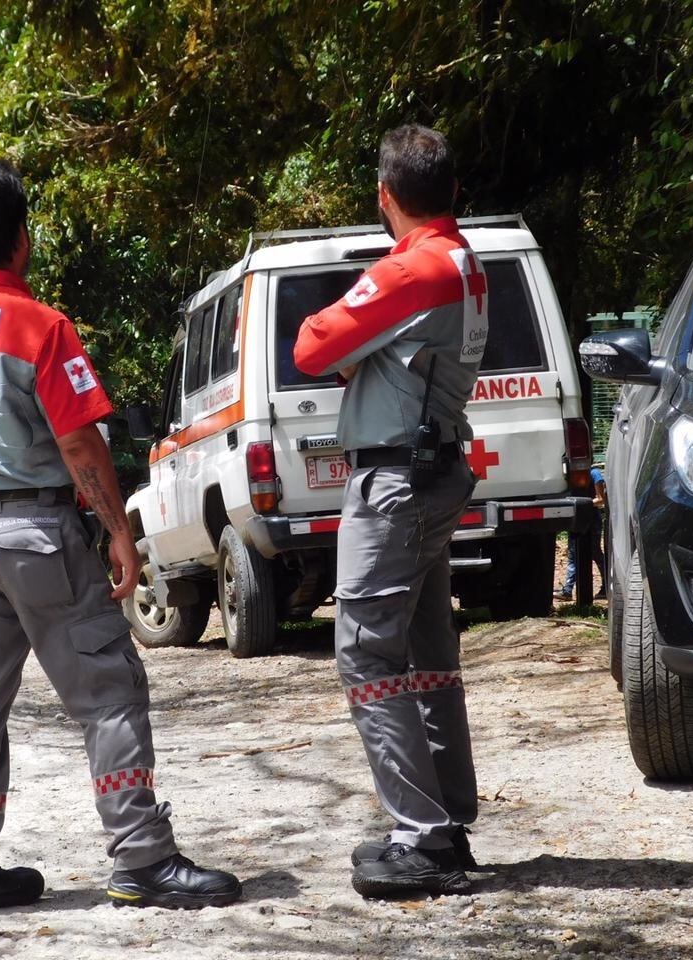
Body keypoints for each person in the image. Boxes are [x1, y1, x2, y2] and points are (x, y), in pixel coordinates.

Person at [0, 161, 241, 921]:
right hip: (38, 534)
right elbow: (80, 446)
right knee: (108, 692)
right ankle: (142, 859)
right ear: (20, 238)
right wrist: (121, 534)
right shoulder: (39, 326)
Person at [293, 124, 487, 900]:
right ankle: (448, 820)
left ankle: (424, 836)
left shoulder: (413, 268)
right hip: (434, 470)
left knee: (368, 657)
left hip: (396, 484)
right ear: (452, 192)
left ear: (385, 197)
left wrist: (361, 347)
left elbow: (311, 346)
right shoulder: (469, 262)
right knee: (429, 652)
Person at [556, 464, 607, 601]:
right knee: (574, 554)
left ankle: (606, 586)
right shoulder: (568, 475)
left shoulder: (594, 473)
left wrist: (582, 504)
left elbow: (601, 499)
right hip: (576, 519)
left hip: (591, 519)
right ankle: (567, 590)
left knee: (595, 553)